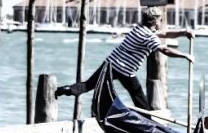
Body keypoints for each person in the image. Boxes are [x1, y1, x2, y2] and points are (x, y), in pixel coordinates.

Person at [55, 7, 194, 110]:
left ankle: (66, 89)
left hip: (110, 64)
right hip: (126, 71)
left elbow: (164, 33)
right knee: (139, 97)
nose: (161, 22)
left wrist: (184, 32)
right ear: (155, 21)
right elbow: (164, 49)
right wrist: (185, 55)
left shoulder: (138, 29)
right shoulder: (149, 37)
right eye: (160, 19)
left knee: (88, 85)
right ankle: (148, 120)